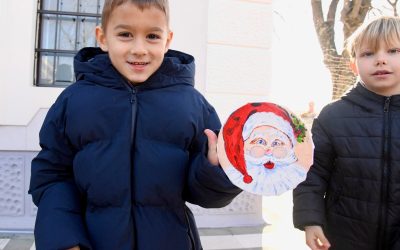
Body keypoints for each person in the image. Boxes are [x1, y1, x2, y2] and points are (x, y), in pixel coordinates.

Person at [28, 0, 241, 249]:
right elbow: (52, 178)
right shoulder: (73, 102)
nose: (139, 49)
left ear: (168, 40)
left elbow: (206, 195)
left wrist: (216, 169)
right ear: (103, 37)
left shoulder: (192, 105)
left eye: (152, 36)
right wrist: (65, 240)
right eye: (125, 34)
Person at [292, 16, 400, 250]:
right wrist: (310, 220)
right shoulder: (333, 116)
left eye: (393, 50)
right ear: (353, 64)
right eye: (368, 53)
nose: (381, 60)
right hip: (345, 237)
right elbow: (312, 174)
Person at [220, 102, 311, 196]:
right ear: (243, 145)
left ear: (290, 146)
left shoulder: (296, 173)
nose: (269, 151)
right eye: (260, 142)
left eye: (277, 143)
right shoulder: (234, 172)